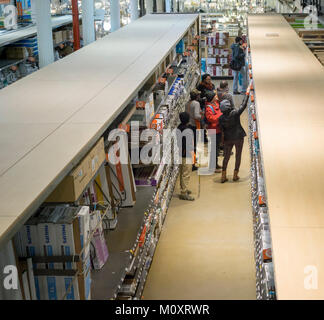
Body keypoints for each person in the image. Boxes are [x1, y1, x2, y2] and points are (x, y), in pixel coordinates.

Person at [219, 92, 250, 183]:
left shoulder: (220, 118)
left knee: (226, 157)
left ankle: (223, 176)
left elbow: (222, 130)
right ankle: (235, 175)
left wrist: (222, 140)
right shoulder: (235, 113)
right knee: (238, 155)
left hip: (228, 139)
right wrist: (247, 95)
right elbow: (243, 105)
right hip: (238, 137)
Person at [177, 112, 195, 201]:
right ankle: (183, 193)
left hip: (180, 153)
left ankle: (183, 188)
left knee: (182, 172)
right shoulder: (188, 130)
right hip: (186, 154)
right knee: (186, 173)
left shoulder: (179, 127)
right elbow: (189, 144)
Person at [186, 88, 204, 170]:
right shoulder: (196, 103)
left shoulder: (187, 103)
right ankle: (193, 164)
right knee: (194, 145)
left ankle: (191, 160)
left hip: (188, 125)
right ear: (196, 96)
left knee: (190, 144)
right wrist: (202, 116)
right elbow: (197, 115)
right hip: (194, 125)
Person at [205, 91, 223, 173]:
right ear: (212, 98)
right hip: (213, 130)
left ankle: (215, 164)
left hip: (218, 129)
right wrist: (220, 116)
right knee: (213, 149)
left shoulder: (215, 103)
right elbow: (211, 119)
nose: (216, 96)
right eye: (214, 96)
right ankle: (213, 167)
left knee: (217, 148)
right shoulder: (209, 108)